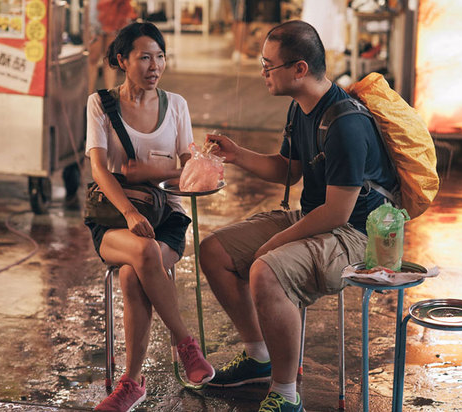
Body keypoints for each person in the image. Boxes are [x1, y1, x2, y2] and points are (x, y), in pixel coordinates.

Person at [199, 20, 396, 411]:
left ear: (299, 69)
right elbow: (289, 169)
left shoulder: (346, 123)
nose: (263, 73)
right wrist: (236, 154)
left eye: (268, 65)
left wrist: (274, 243)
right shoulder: (301, 107)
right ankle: (259, 357)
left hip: (357, 234)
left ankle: (286, 394)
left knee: (265, 270)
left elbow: (339, 211)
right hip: (318, 215)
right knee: (213, 251)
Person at [84, 22, 214, 412]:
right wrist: (128, 210)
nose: (154, 65)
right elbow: (99, 169)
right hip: (112, 219)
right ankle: (186, 345)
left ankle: (131, 384)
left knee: (133, 271)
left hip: (167, 218)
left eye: (160, 56)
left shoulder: (176, 105)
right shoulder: (100, 103)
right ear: (123, 60)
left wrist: (157, 173)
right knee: (141, 254)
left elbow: (192, 168)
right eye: (144, 57)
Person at [88, 0, 136, 94]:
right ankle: (89, 98)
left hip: (114, 10)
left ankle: (111, 96)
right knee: (93, 58)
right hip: (99, 11)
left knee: (109, 59)